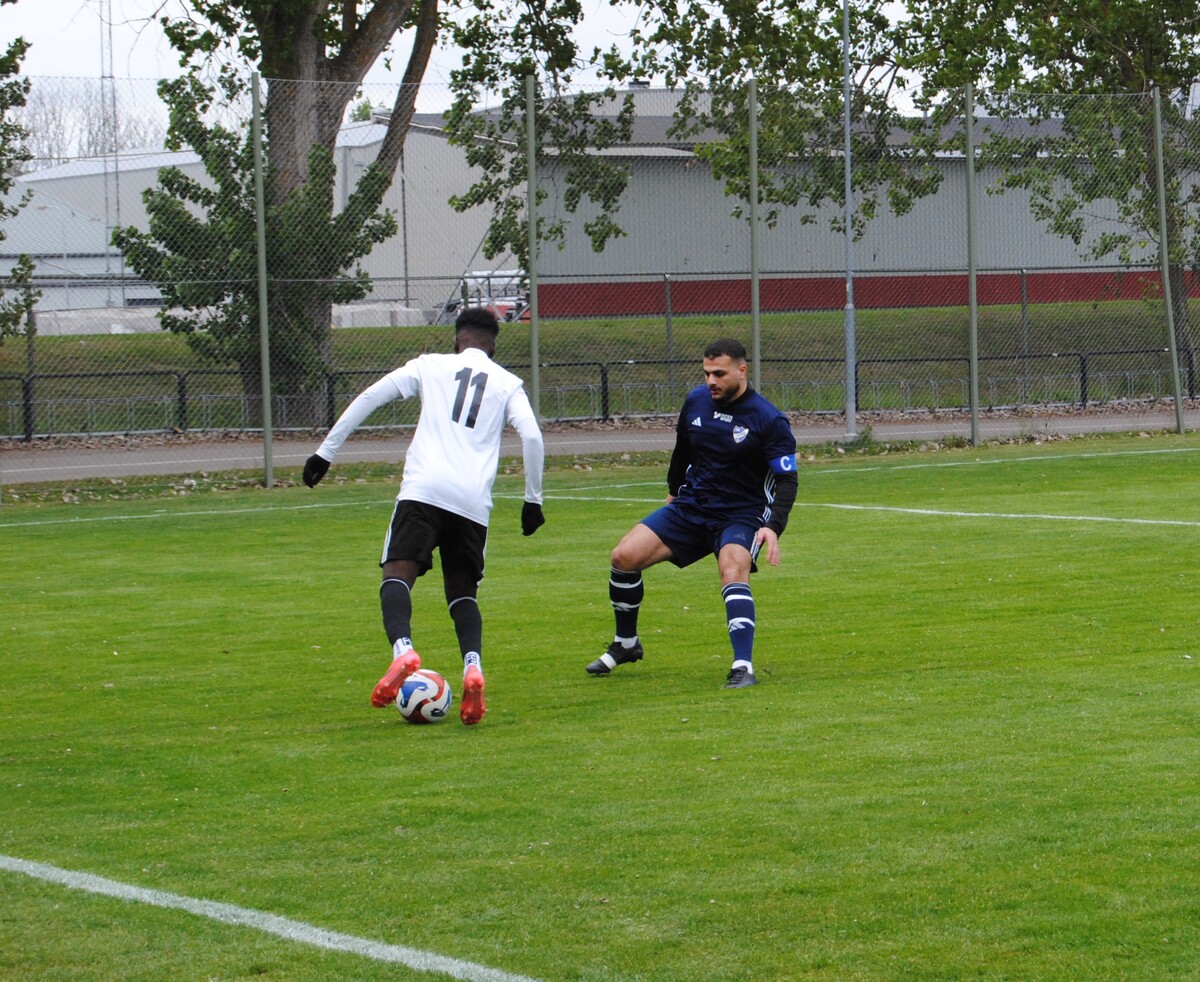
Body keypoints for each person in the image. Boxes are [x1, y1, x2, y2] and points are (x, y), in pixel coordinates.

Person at [303, 307, 546, 725]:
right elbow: (533, 436)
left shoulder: (429, 365)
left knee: (397, 576)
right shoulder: (508, 383)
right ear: (493, 347)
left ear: (457, 340)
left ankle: (403, 650)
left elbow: (370, 396)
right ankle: (473, 667)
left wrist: (325, 452)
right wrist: (532, 500)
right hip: (472, 503)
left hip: (423, 490)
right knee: (463, 594)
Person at [587, 338, 797, 689]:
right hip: (692, 506)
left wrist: (773, 526)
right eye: (706, 373)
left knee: (732, 569)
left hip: (741, 514)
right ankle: (626, 643)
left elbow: (787, 480)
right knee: (624, 556)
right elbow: (682, 452)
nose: (711, 381)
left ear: (742, 371)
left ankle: (743, 667)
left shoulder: (769, 419)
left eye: (719, 374)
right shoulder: (696, 401)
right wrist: (673, 492)